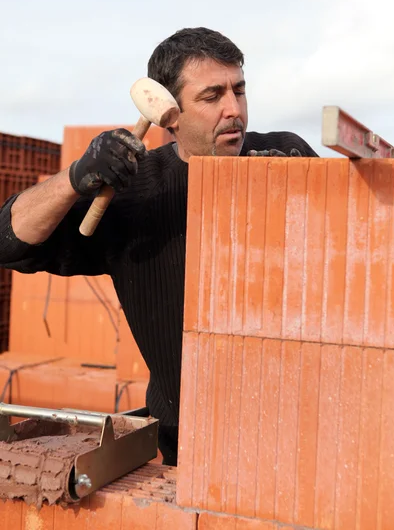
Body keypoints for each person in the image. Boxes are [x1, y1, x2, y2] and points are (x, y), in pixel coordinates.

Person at [0, 27, 318, 465]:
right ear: (170, 115)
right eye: (212, 96)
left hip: (303, 433)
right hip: (187, 444)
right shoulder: (132, 195)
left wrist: (311, 199)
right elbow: (10, 242)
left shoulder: (286, 155)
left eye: (239, 90)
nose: (234, 109)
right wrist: (75, 178)